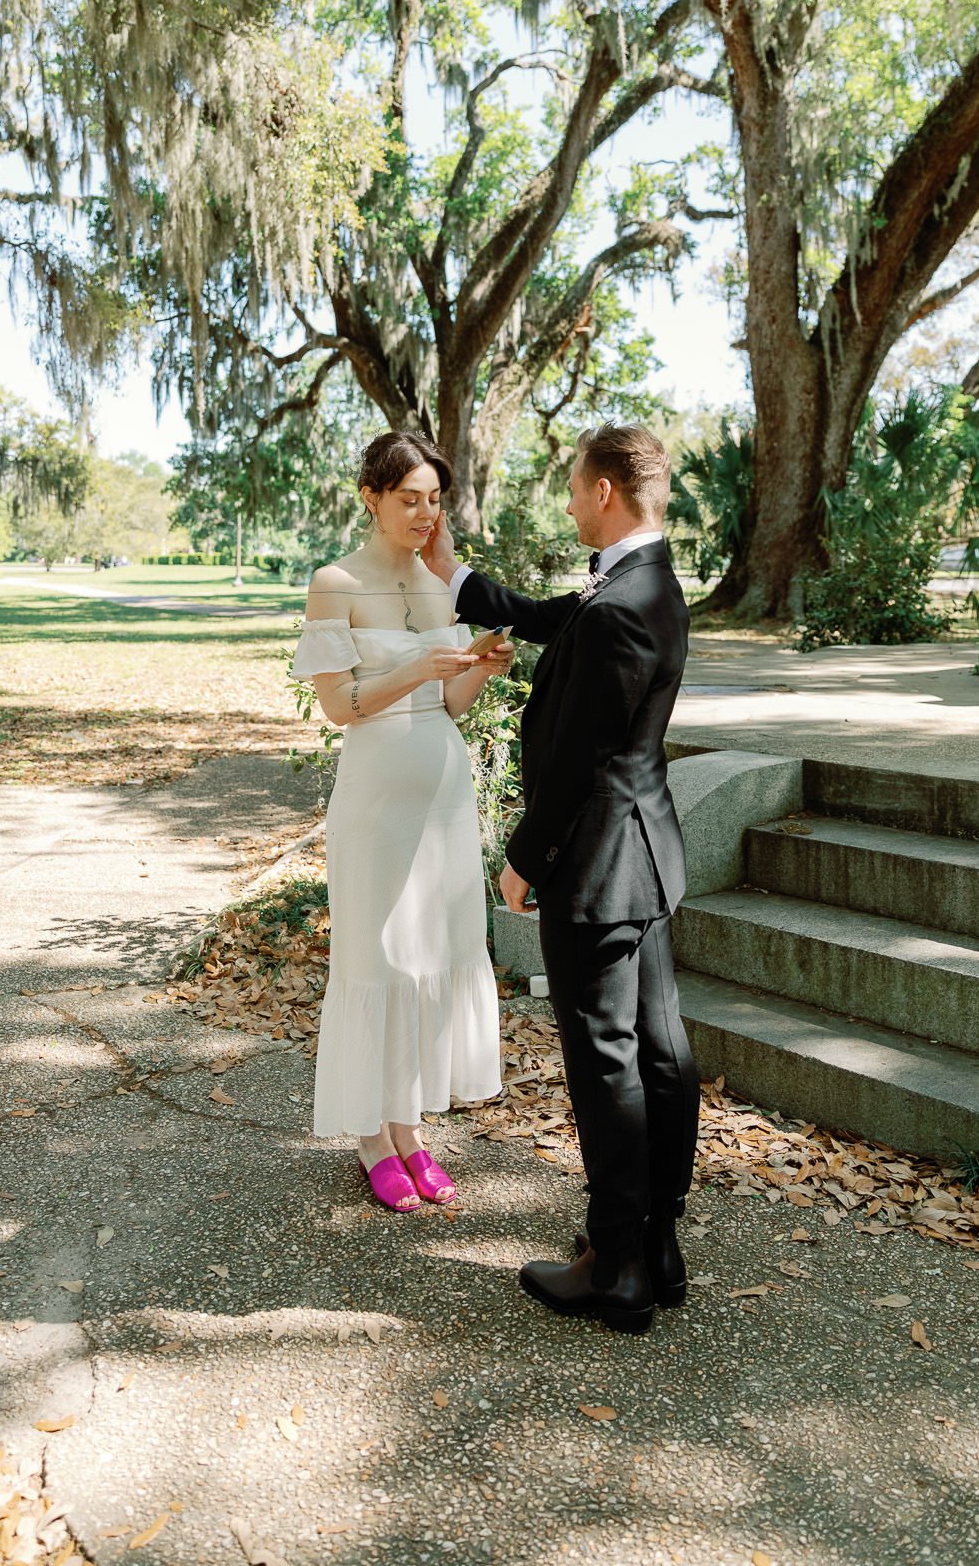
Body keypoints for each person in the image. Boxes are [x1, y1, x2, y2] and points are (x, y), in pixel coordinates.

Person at [423, 422, 697, 1333]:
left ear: (607, 493)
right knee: (658, 1054)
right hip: (646, 859)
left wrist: (520, 861)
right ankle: (657, 1242)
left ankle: (614, 1263)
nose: (570, 502)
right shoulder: (641, 580)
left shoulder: (621, 601)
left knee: (606, 1061)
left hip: (598, 866)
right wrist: (453, 574)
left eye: (576, 489)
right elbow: (552, 619)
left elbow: (579, 759)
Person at [292, 430, 508, 1212]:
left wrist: (477, 668)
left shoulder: (439, 584)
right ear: (371, 497)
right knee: (376, 956)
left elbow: (446, 704)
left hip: (442, 789)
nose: (424, 514)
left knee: (431, 954)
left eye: (434, 500)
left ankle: (410, 1127)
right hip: (377, 791)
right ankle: (370, 1138)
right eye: (409, 498)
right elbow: (340, 708)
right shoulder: (335, 583)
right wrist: (417, 665)